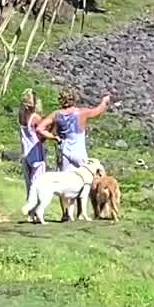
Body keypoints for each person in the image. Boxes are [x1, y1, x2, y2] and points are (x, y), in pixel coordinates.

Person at [38, 88, 112, 219]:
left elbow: (40, 128)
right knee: (84, 181)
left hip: (64, 151)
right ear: (74, 99)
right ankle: (81, 213)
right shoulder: (81, 113)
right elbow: (98, 111)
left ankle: (66, 214)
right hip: (79, 151)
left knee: (63, 182)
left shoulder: (56, 115)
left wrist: (53, 137)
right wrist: (105, 101)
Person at [18, 89, 57, 200]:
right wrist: (52, 132)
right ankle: (34, 210)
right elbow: (41, 136)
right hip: (35, 153)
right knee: (37, 183)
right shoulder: (35, 118)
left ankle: (30, 211)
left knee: (29, 184)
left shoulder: (21, 116)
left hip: (25, 152)